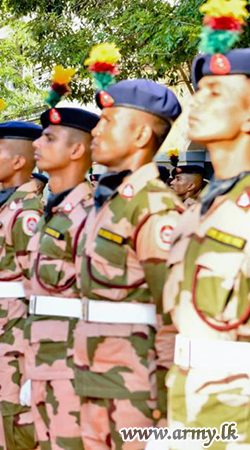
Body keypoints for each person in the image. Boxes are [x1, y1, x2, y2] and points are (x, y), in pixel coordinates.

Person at [76, 76, 183, 448]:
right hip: (95, 376)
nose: (96, 130)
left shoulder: (156, 208)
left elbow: (173, 318)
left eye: (108, 121)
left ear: (140, 135)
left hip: (136, 389)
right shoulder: (114, 202)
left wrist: (167, 417)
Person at [163, 15, 250, 445]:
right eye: (198, 93)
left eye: (215, 93)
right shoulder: (199, 212)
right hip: (191, 411)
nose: (196, 104)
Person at [25, 92, 100, 448]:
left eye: (49, 138)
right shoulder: (54, 211)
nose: (37, 145)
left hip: (73, 363)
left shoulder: (90, 213)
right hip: (44, 352)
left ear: (76, 150)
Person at [0, 106, 44, 449]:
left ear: (19, 161)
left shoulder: (27, 212)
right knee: (7, 421)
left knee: (21, 428)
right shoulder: (8, 206)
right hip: (0, 333)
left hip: (17, 338)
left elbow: (38, 290)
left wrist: (36, 358)